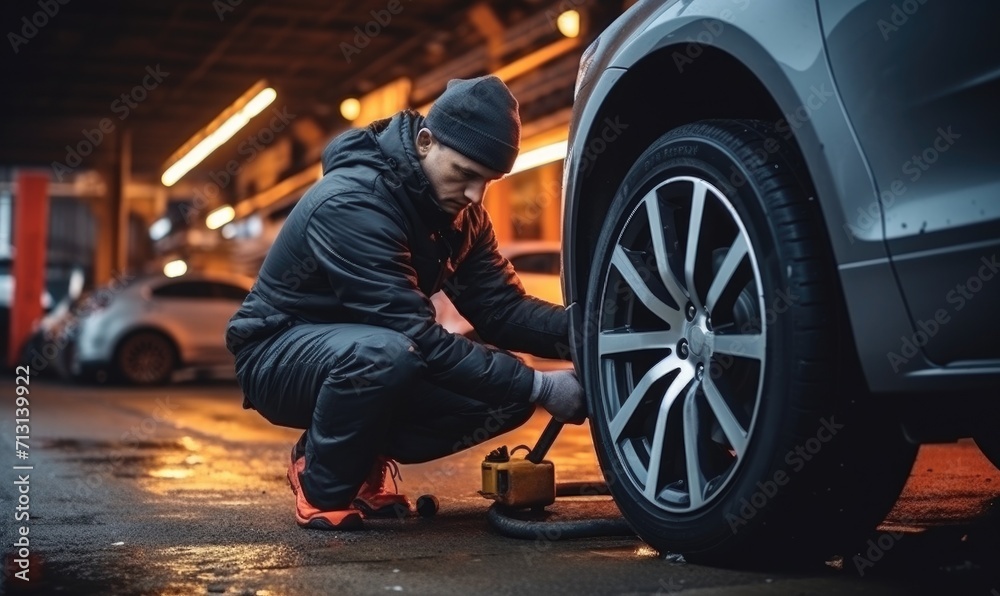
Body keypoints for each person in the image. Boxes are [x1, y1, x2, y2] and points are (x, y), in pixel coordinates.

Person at [225, 75, 586, 531]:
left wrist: (593, 336)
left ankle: (358, 453)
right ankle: (322, 480)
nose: (476, 195)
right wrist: (542, 388)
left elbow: (502, 311)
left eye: (488, 181)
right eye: (465, 174)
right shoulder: (353, 201)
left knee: (505, 397)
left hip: (371, 354)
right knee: (390, 353)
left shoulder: (464, 217)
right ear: (424, 142)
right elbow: (413, 333)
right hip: (277, 355)